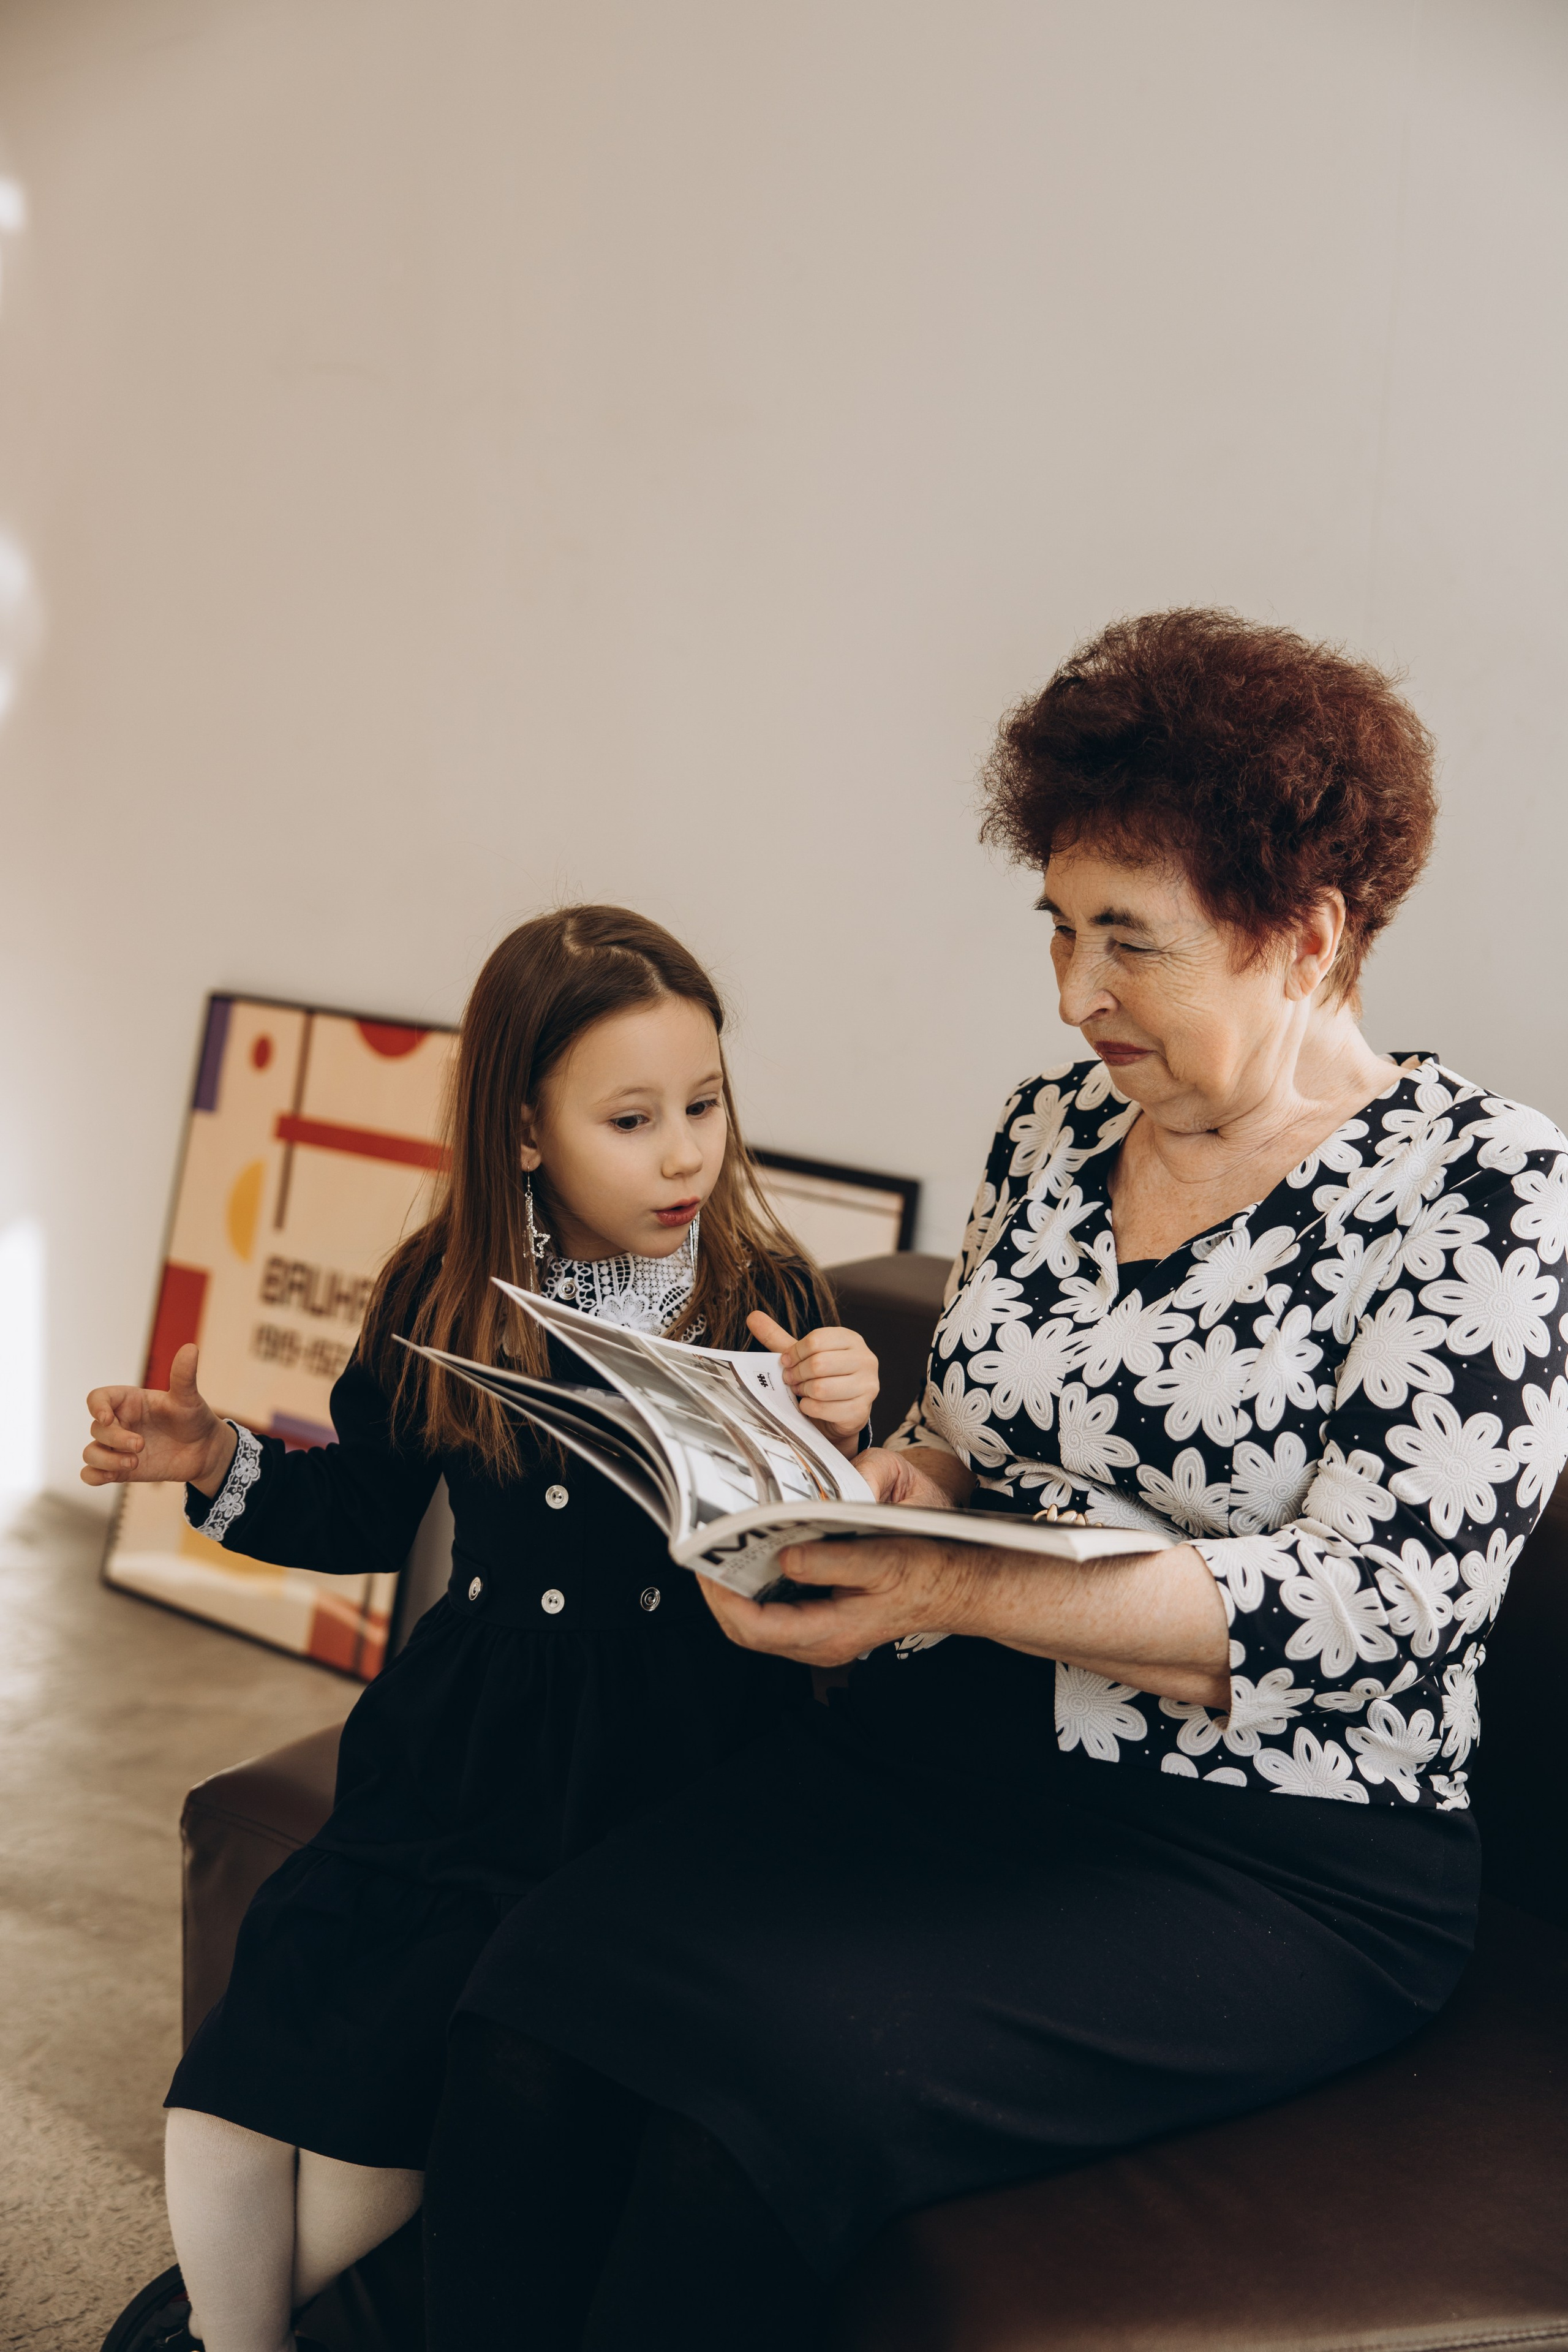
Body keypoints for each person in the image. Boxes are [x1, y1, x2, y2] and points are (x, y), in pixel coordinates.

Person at [420, 611, 1568, 2352]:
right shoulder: (1048, 1128)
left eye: (1131, 942)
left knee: (748, 2126)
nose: (1073, 992)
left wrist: (951, 1583)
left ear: (1310, 938)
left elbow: (1380, 1610)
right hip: (950, 1749)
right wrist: (875, 1482)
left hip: (1268, 1855)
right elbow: (969, 1420)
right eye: (1058, 926)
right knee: (531, 2008)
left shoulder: (1489, 1195)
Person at [81, 905, 880, 2352]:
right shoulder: (441, 1291)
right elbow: (357, 1517)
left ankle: (217, 2332)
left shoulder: (763, 1295)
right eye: (631, 1118)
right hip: (465, 1728)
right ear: (524, 1130)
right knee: (268, 2029)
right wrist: (209, 1462)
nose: (685, 1150)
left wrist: (839, 1418)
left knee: (397, 2082)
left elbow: (833, 1564)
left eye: (703, 1104)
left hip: (669, 1747)